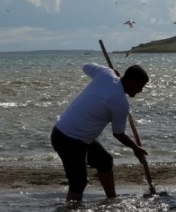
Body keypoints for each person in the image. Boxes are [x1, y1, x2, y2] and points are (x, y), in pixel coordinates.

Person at [51, 63, 150, 203]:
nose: (141, 90)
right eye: (140, 85)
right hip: (69, 140)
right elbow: (118, 133)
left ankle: (112, 200)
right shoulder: (120, 103)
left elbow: (86, 66)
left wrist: (109, 72)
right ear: (129, 81)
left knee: (105, 161)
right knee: (78, 183)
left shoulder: (105, 74)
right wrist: (135, 148)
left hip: (72, 135)